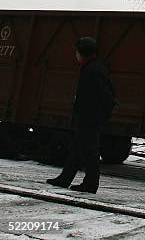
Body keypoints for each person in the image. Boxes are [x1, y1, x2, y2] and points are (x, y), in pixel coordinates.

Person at [46, 36, 116, 193]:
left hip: (90, 118)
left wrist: (91, 113)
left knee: (90, 152)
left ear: (83, 53)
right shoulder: (95, 68)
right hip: (90, 117)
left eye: (77, 52)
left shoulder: (93, 71)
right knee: (78, 149)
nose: (75, 55)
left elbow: (104, 96)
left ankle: (90, 184)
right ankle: (65, 179)